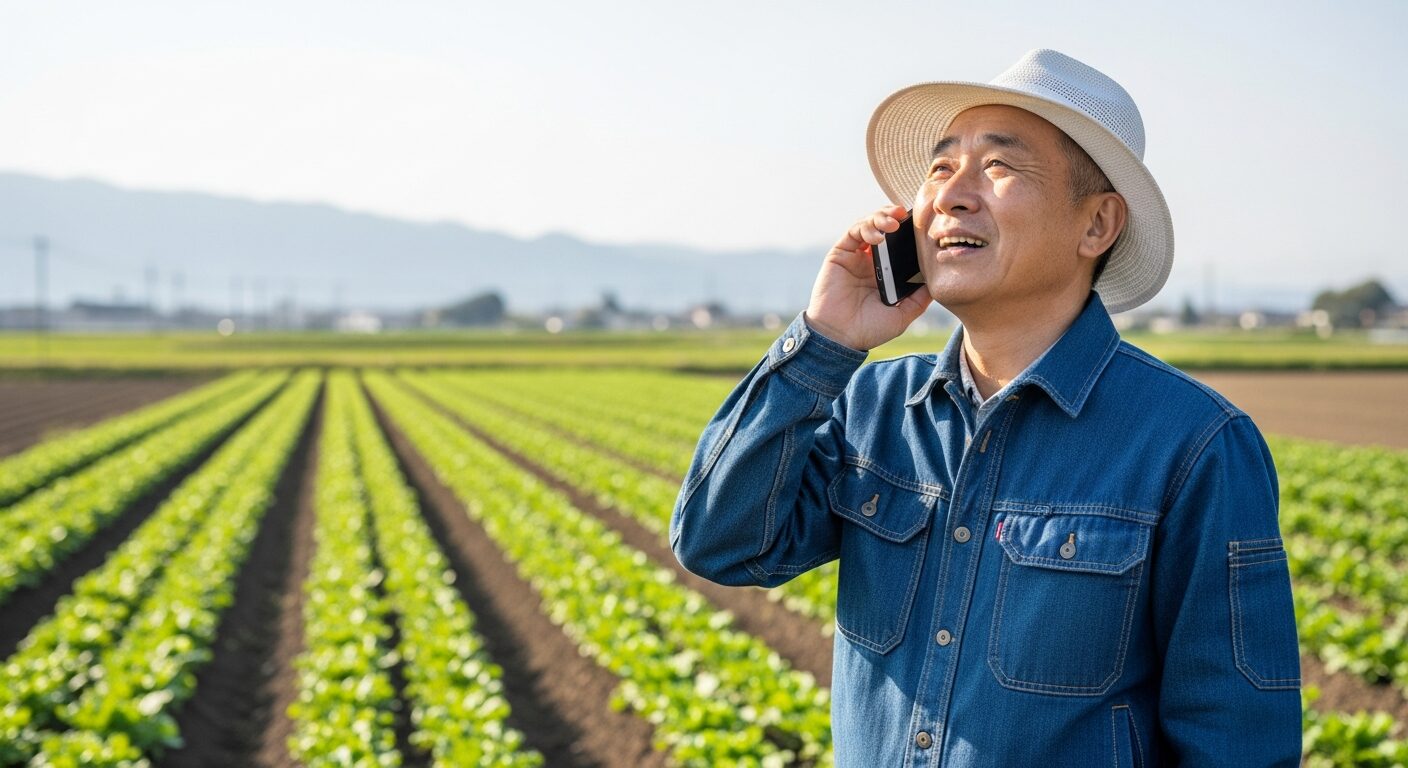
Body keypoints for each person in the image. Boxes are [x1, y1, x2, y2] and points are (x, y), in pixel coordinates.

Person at [670, 48, 1302, 767]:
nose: (952, 195)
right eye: (941, 167)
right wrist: (825, 339)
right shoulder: (874, 406)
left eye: (999, 166)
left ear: (1097, 225)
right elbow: (720, 542)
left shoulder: (1194, 445)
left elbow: (1238, 741)